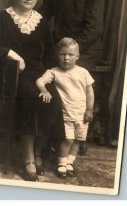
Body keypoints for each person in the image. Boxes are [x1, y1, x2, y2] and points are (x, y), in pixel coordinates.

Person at [0, 0, 65, 182]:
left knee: (54, 101)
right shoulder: (2, 18)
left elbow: (50, 53)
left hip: (38, 74)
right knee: (32, 99)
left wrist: (49, 74)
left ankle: (39, 152)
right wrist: (9, 53)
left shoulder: (40, 22)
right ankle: (28, 158)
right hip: (9, 74)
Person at [40, 0, 105, 154]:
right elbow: (42, 16)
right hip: (60, 49)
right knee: (44, 75)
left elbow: (94, 28)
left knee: (69, 79)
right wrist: (23, 24)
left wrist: (72, 51)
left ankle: (76, 136)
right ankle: (55, 136)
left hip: (85, 48)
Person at [36, 37, 94, 178]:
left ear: (77, 56)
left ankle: (69, 162)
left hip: (81, 114)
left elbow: (89, 92)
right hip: (65, 113)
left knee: (77, 140)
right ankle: (61, 163)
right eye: (62, 54)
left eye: (70, 55)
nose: (66, 58)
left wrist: (89, 109)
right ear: (57, 55)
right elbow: (40, 81)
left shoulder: (83, 72)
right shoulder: (54, 72)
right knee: (67, 139)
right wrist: (44, 90)